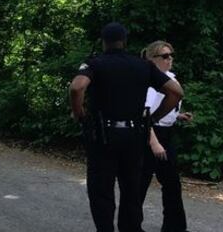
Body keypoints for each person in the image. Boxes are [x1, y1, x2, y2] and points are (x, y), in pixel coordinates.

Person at [70, 22, 184, 232]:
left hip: (103, 136)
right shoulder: (142, 65)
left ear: (103, 42)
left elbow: (77, 87)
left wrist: (80, 115)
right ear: (125, 41)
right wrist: (152, 118)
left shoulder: (95, 63)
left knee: (101, 190)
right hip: (134, 136)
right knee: (131, 189)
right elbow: (175, 92)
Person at [140, 41, 192, 232]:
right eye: (165, 56)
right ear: (152, 59)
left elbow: (160, 109)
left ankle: (174, 227)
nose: (170, 59)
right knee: (141, 183)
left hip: (165, 134)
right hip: (151, 136)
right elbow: (145, 113)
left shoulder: (167, 78)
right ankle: (131, 224)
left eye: (171, 55)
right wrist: (154, 142)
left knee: (171, 184)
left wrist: (177, 115)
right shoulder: (152, 83)